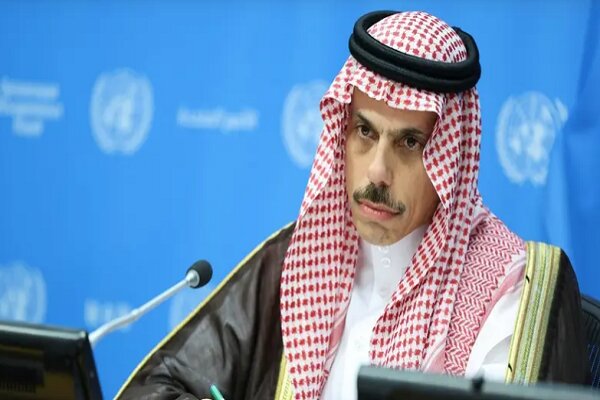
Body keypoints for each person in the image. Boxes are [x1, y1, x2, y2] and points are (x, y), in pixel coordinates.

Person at [116, 10, 589, 400]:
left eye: (409, 143)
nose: (377, 171)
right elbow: (161, 385)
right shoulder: (301, 259)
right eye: (365, 131)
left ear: (451, 157)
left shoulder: (510, 287)